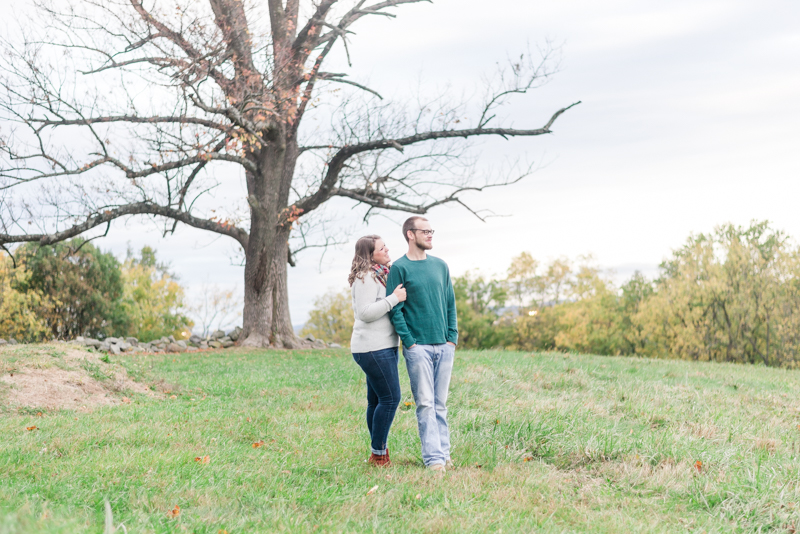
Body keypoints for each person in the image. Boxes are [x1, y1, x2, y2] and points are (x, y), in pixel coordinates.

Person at [386, 217, 458, 472]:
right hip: (418, 349)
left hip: (444, 345)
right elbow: (396, 309)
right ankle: (434, 460)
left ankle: (445, 453)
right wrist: (410, 342)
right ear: (410, 234)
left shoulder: (440, 266)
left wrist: (452, 337)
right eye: (425, 231)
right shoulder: (399, 268)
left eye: (431, 231)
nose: (430, 235)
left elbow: (450, 302)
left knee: (440, 404)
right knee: (425, 403)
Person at [349, 235, 407, 467]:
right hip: (373, 348)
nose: (387, 250)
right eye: (382, 248)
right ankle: (379, 454)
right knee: (391, 398)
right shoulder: (366, 277)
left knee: (376, 400)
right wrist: (394, 299)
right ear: (370, 255)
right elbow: (365, 312)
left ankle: (377, 451)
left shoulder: (380, 275)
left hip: (383, 345)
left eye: (385, 246)